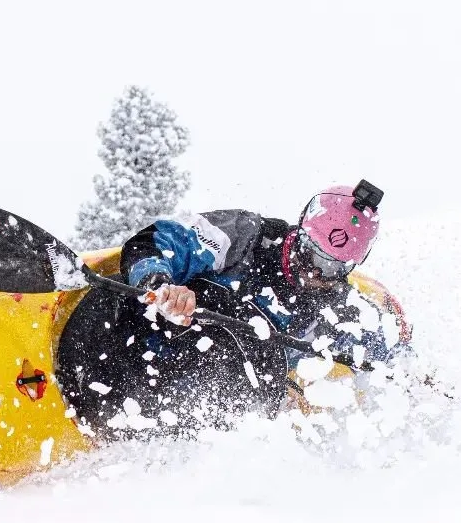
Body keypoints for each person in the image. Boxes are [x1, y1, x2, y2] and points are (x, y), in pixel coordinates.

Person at [55, 179, 411, 438]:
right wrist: (160, 285)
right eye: (312, 254)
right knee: (235, 318)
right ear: (300, 229)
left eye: (333, 268)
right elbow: (156, 243)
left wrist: (414, 378)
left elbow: (390, 354)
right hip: (130, 358)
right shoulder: (246, 236)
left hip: (201, 417)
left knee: (266, 357)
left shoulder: (340, 307)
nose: (316, 273)